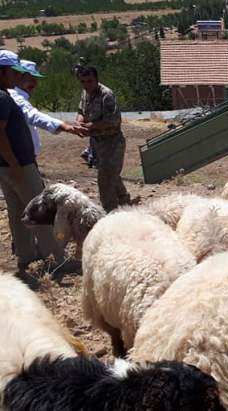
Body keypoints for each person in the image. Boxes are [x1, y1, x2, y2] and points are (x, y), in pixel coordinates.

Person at [0, 50, 66, 279]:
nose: (18, 77)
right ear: (4, 72)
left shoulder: (5, 95)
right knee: (40, 210)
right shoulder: (3, 97)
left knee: (17, 211)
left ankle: (26, 256)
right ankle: (56, 259)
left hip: (7, 167)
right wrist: (14, 163)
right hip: (18, 165)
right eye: (14, 72)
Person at [76, 66, 133, 212]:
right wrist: (78, 122)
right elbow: (81, 111)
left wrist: (90, 126)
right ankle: (125, 203)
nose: (86, 85)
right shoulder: (85, 93)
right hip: (97, 143)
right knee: (110, 174)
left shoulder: (106, 95)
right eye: (83, 81)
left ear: (96, 80)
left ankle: (110, 213)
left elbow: (112, 120)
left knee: (105, 180)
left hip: (112, 143)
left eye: (89, 81)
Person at [9, 60, 88, 156]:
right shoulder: (15, 97)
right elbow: (33, 115)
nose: (35, 83)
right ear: (18, 77)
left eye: (35, 79)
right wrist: (65, 126)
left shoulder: (17, 96)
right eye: (30, 78)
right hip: (19, 158)